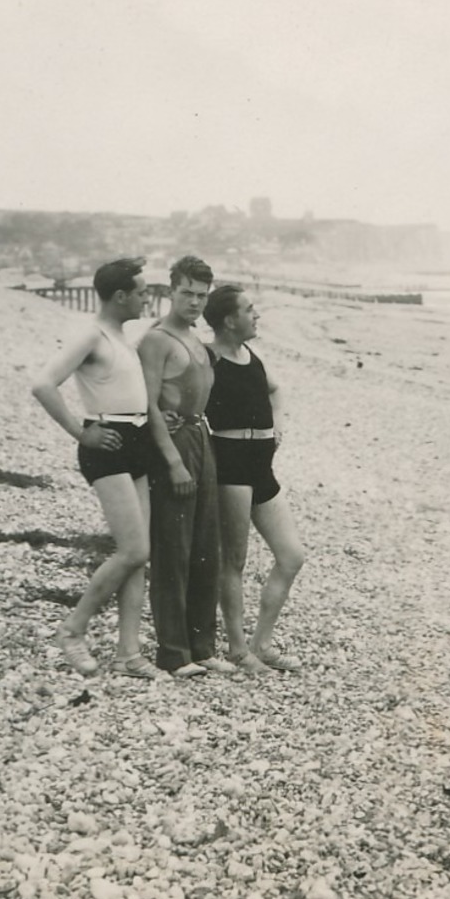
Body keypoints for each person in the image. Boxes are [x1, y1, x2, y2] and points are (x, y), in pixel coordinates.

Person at [30, 258, 161, 679]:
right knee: (134, 550)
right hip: (107, 445)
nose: (147, 297)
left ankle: (128, 653)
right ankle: (72, 629)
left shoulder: (121, 336)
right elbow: (43, 384)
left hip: (136, 441)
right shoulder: (91, 334)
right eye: (141, 291)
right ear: (120, 296)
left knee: (140, 556)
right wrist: (79, 432)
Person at [203, 285, 305, 673]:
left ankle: (262, 643)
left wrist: (277, 425)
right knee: (234, 561)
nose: (257, 315)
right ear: (230, 320)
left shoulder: (250, 355)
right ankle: (237, 649)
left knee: (292, 555)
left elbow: (276, 391)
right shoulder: (207, 358)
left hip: (261, 465)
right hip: (229, 465)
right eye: (250, 309)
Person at [139, 256, 229, 678]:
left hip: (200, 436)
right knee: (174, 548)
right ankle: (174, 652)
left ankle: (203, 645)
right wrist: (173, 462)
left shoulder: (196, 339)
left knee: (207, 546)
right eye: (187, 293)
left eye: (201, 295)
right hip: (173, 445)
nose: (194, 302)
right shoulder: (156, 340)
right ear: (170, 291)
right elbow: (149, 405)